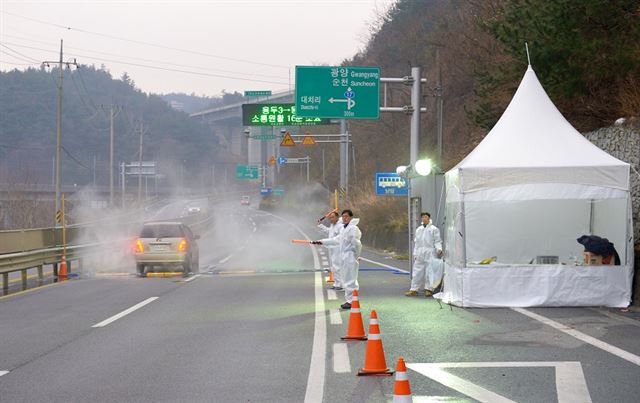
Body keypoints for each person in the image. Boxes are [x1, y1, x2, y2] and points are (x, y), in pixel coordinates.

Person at [314, 209, 362, 310]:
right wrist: (322, 241)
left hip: (350, 256)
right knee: (347, 278)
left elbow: (356, 243)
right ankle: (351, 300)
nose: (344, 218)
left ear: (351, 217)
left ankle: (351, 301)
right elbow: (336, 239)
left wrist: (356, 255)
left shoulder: (352, 228)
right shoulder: (345, 229)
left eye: (346, 216)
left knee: (350, 279)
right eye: (343, 216)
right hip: (345, 256)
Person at [406, 212, 443, 297]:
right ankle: (414, 289)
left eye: (426, 217)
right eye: (422, 217)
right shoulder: (419, 229)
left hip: (430, 251)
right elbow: (417, 243)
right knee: (417, 270)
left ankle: (429, 289)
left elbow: (437, 241)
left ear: (429, 218)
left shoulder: (434, 229)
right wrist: (415, 253)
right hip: (420, 252)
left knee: (429, 270)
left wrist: (439, 249)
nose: (424, 219)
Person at [317, 210, 343, 290]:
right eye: (330, 218)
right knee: (333, 267)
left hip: (338, 248)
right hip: (331, 248)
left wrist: (323, 241)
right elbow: (329, 231)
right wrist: (320, 225)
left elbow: (337, 239)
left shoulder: (340, 226)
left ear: (337, 217)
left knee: (337, 266)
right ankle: (336, 283)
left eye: (333, 217)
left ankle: (340, 285)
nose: (331, 219)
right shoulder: (333, 225)